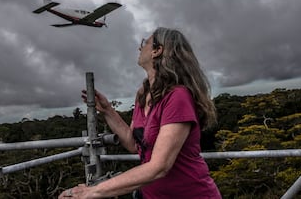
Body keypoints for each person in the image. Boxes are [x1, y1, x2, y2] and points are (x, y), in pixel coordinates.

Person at [59, 27, 221, 199]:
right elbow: (133, 144)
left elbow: (160, 166)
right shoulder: (144, 94)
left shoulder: (177, 96)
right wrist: (107, 110)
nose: (139, 47)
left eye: (145, 43)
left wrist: (93, 191)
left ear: (157, 51)